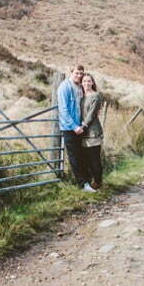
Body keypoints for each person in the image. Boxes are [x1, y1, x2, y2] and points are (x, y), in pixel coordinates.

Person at [56, 64, 95, 192]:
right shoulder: (65, 87)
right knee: (75, 157)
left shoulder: (79, 87)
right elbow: (63, 109)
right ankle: (82, 184)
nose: (79, 75)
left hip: (80, 127)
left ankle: (88, 181)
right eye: (76, 73)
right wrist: (74, 126)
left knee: (83, 155)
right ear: (71, 72)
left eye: (81, 73)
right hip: (69, 128)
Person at [80, 73, 104, 190]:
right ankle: (90, 181)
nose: (86, 83)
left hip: (93, 132)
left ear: (93, 82)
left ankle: (98, 182)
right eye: (84, 81)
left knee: (94, 158)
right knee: (86, 159)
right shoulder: (81, 96)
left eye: (89, 81)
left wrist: (83, 126)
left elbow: (91, 114)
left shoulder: (96, 96)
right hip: (82, 133)